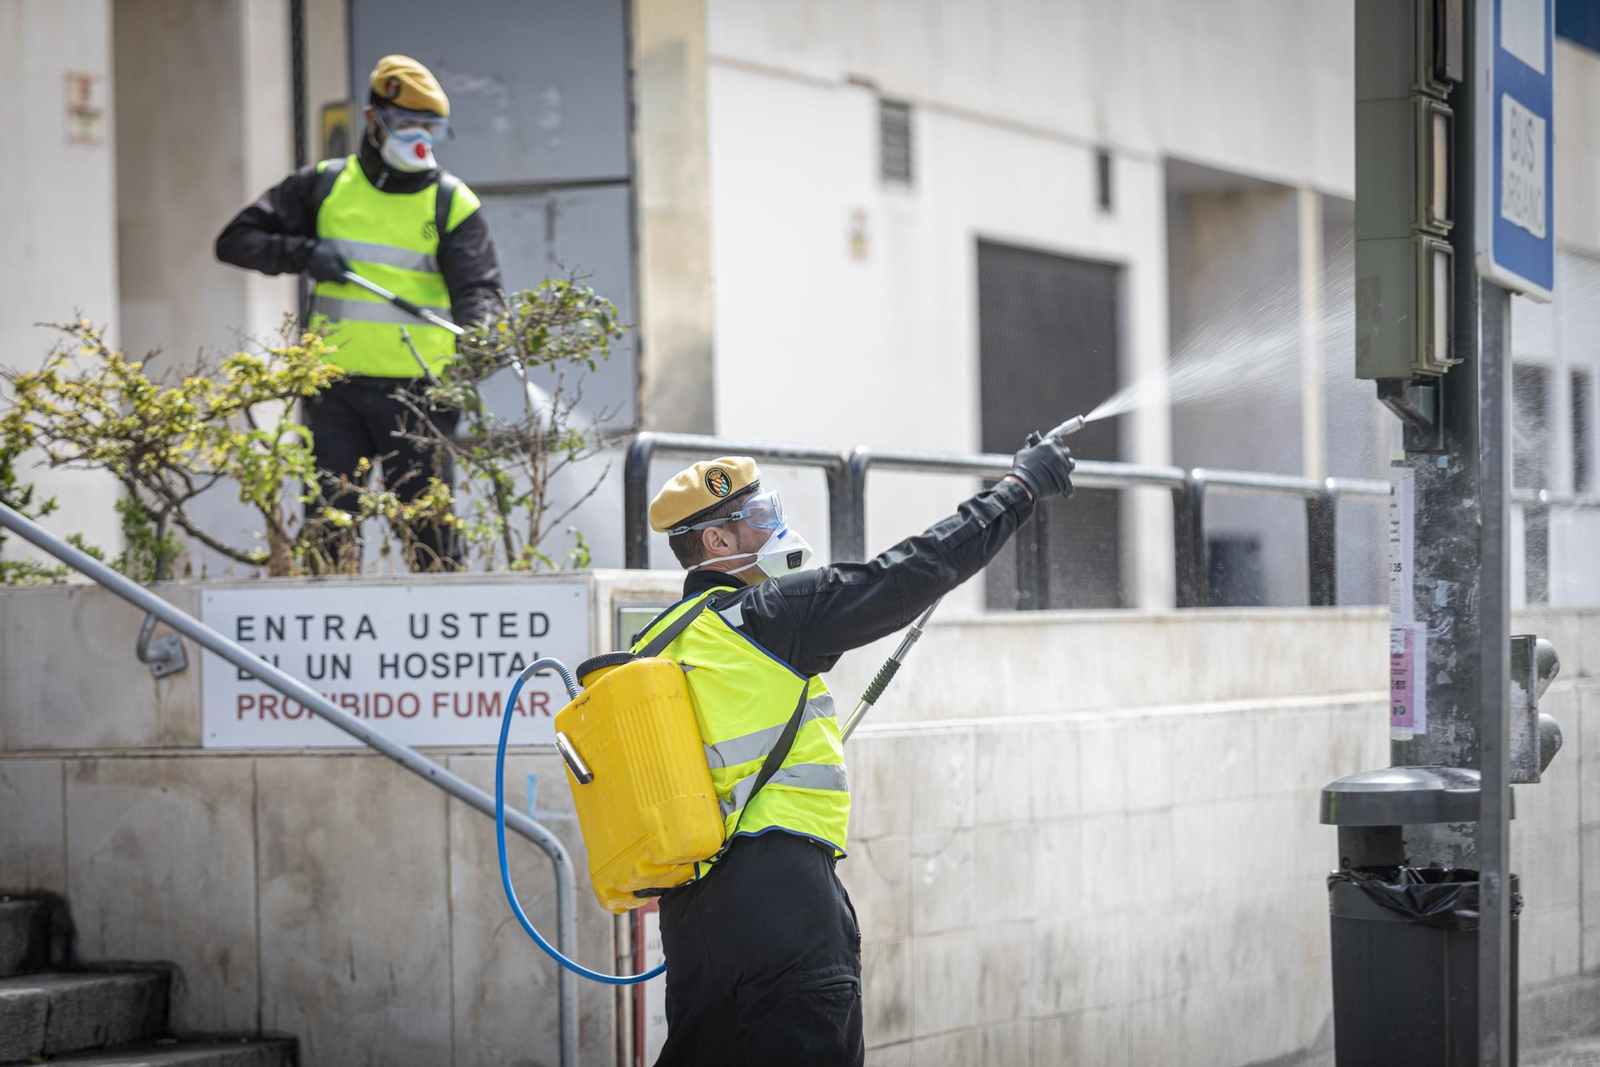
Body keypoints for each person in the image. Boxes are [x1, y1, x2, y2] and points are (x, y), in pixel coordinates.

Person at [635, 437, 1076, 1066]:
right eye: (759, 519)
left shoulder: (654, 643)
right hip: (783, 896)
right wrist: (1017, 492)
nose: (776, 528)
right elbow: (907, 573)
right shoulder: (764, 617)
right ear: (718, 543)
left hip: (692, 917)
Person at [215, 54, 501, 571]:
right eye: (405, 124)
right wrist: (304, 255)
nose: (419, 138)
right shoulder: (322, 186)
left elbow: (480, 290)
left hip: (420, 398)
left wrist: (481, 340)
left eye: (431, 128)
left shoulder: (450, 203)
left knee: (431, 540)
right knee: (329, 533)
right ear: (374, 121)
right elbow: (236, 241)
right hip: (335, 393)